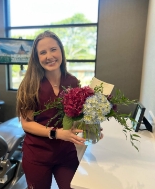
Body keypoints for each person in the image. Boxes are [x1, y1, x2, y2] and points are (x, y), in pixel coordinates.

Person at [16, 30, 102, 189]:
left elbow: (74, 118)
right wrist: (56, 133)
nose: (49, 56)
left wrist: (90, 127)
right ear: (36, 58)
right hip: (37, 156)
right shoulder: (30, 85)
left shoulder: (72, 81)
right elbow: (27, 124)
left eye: (53, 49)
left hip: (65, 153)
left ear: (61, 51)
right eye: (43, 52)